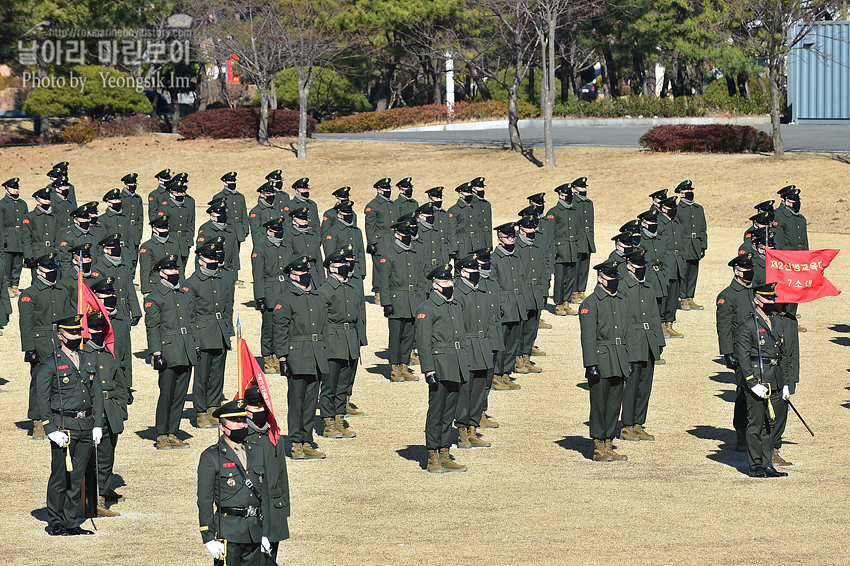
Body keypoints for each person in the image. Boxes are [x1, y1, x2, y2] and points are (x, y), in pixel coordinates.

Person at [36, 313, 103, 536]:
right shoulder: (50, 363)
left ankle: (71, 520)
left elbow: (97, 394)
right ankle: (55, 520)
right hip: (64, 426)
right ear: (60, 335)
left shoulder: (89, 359)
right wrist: (50, 429)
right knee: (60, 476)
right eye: (71, 332)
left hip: (85, 425)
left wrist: (97, 424)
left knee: (77, 477)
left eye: (78, 331)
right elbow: (42, 398)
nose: (76, 335)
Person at [197, 399, 271, 565]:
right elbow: (205, 500)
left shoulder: (257, 451)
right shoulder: (211, 456)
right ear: (222, 427)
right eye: (235, 422)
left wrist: (266, 532)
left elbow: (264, 495)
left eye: (243, 421)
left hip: (254, 531)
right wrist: (208, 537)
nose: (241, 425)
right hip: (227, 532)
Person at [273, 256, 330, 460]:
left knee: (310, 402)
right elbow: (280, 331)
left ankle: (307, 440)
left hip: (316, 355)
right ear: (292, 275)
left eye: (307, 271)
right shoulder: (286, 299)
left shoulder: (318, 297)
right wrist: (282, 358)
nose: (306, 274)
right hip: (297, 355)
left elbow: (325, 327)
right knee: (296, 402)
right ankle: (296, 443)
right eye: (301, 272)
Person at [415, 263, 470, 473]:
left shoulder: (455, 305)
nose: (450, 284)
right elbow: (423, 342)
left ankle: (445, 452)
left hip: (455, 364)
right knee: (436, 412)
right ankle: (432, 455)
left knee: (449, 412)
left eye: (451, 280)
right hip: (439, 366)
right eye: (445, 281)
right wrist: (428, 370)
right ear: (435, 284)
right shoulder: (426, 308)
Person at [579, 259, 634, 462]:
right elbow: (588, 338)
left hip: (619, 357)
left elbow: (628, 332)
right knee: (599, 404)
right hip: (601, 359)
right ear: (600, 278)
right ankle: (597, 445)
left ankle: (609, 442)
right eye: (610, 277)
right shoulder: (590, 304)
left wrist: (629, 358)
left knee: (613, 404)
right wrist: (590, 364)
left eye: (615, 277)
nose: (613, 280)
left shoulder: (623, 301)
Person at [733, 282, 790, 478]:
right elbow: (742, 356)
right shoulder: (748, 324)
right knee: (756, 424)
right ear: (756, 300)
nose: (771, 301)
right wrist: (752, 383)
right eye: (767, 298)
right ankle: (755, 465)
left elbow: (783, 355)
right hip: (759, 378)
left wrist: (785, 384)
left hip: (774, 378)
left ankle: (767, 463)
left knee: (770, 425)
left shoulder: (777, 321)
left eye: (773, 298)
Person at [144, 254, 198, 450]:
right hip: (168, 350)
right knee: (166, 394)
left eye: (176, 269)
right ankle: (161, 433)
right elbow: (152, 328)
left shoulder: (184, 295)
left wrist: (196, 345)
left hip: (185, 349)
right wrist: (156, 353)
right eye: (170, 269)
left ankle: (173, 432)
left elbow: (192, 321)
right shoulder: (155, 297)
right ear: (161, 273)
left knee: (180, 395)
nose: (175, 272)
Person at [19, 253, 74, 440]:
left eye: (54, 268)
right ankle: (37, 420)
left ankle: (57, 416)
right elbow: (25, 324)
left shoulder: (62, 291)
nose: (52, 272)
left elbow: (67, 317)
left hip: (59, 340)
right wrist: (29, 348)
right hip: (40, 341)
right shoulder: (30, 294)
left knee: (60, 380)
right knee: (39, 382)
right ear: (39, 271)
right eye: (49, 269)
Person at [186, 241, 235, 428]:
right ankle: (200, 412)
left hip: (220, 332)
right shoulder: (192, 282)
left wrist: (228, 330)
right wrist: (194, 338)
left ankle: (213, 408)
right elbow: (189, 313)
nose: (213, 260)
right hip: (203, 333)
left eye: (216, 257)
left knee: (217, 375)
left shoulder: (223, 280)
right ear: (200, 260)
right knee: (202, 376)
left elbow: (228, 306)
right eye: (209, 258)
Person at [316, 252, 365, 439]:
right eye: (341, 263)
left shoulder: (353, 288)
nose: (346, 266)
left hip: (350, 339)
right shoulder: (325, 290)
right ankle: (328, 422)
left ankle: (339, 418)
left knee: (344, 384)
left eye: (346, 263)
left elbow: (359, 316)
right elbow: (320, 320)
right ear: (331, 267)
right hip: (333, 339)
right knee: (330, 385)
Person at [83, 310, 126, 518]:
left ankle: (103, 491)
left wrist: (121, 409)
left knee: (107, 455)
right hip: (91, 412)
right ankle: (93, 499)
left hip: (111, 410)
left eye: (102, 329)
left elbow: (119, 383)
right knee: (92, 457)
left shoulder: (109, 354)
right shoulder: (82, 354)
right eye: (94, 329)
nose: (98, 332)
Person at [618, 249, 664, 442]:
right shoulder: (622, 287)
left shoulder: (648, 288)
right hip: (632, 340)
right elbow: (620, 319)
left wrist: (659, 341)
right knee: (632, 385)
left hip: (648, 341)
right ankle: (627, 424)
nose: (642, 268)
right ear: (629, 266)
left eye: (644, 265)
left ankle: (639, 423)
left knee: (645, 385)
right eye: (638, 265)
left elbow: (654, 315)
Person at [453, 254, 497, 449]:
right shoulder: (457, 293)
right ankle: (462, 432)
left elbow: (489, 322)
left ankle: (473, 428)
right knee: (464, 391)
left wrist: (492, 346)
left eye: (478, 270)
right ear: (462, 272)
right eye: (472, 270)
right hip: (466, 346)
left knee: (480, 389)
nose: (477, 273)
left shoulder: (483, 292)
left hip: (483, 346)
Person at [244, 386, 290, 562]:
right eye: (256, 407)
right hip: (251, 513)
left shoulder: (275, 437)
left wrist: (284, 508)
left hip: (274, 509)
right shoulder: (241, 438)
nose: (261, 410)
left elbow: (281, 475)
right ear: (246, 410)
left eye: (264, 406)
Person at [716, 255, 756, 451]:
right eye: (744, 269)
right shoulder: (728, 295)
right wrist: (727, 353)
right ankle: (741, 433)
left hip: (759, 350)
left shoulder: (756, 291)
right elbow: (723, 326)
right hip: (741, 353)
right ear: (736, 271)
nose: (748, 272)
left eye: (750, 268)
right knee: (743, 393)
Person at [92, 234, 142, 389]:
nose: (117, 250)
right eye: (113, 247)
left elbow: (130, 292)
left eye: (118, 246)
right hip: (107, 312)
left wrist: (136, 311)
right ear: (105, 249)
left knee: (123, 347)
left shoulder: (125, 267)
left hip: (123, 311)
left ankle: (125, 381)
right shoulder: (98, 269)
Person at [379, 220, 422, 382]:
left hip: (412, 301)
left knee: (409, 336)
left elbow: (421, 279)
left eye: (408, 234)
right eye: (404, 234)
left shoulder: (415, 253)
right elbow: (384, 282)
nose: (407, 237)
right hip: (397, 301)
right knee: (396, 336)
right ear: (397, 235)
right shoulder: (389, 255)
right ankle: (394, 368)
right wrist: (386, 303)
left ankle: (404, 366)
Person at [251, 217, 294, 374]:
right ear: (269, 231)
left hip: (285, 290)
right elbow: (258, 275)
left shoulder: (287, 247)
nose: (279, 234)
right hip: (270, 292)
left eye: (281, 231)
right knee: (269, 328)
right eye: (276, 232)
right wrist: (259, 298)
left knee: (284, 327)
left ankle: (279, 356)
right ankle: (268, 358)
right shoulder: (260, 249)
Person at [490, 222, 527, 390]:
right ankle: (496, 375)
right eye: (508, 237)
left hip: (518, 305)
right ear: (499, 240)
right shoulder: (494, 258)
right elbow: (494, 285)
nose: (512, 239)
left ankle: (506, 373)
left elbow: (522, 280)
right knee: (501, 344)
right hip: (504, 306)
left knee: (514, 342)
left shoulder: (517, 256)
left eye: (513, 236)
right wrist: (499, 305)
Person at [515, 214, 548, 374]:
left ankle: (526, 356)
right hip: (523, 292)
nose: (532, 230)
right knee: (521, 328)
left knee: (532, 328)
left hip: (536, 292)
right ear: (521, 230)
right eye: (529, 228)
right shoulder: (516, 247)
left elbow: (543, 270)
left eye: (534, 227)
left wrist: (544, 291)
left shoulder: (537, 247)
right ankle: (517, 358)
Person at [673, 180, 707, 311]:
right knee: (683, 272)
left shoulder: (699, 209)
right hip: (684, 244)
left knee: (693, 271)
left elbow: (703, 228)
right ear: (681, 194)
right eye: (687, 192)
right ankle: (682, 299)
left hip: (695, 245)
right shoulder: (677, 209)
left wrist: (703, 245)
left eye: (691, 191)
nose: (690, 193)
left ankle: (690, 298)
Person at [547, 183, 581, 316]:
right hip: (560, 250)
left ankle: (567, 303)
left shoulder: (574, 211)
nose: (569, 197)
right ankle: (559, 304)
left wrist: (578, 246)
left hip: (572, 249)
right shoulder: (554, 212)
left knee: (570, 278)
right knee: (560, 279)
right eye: (566, 195)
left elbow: (578, 230)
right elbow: (551, 233)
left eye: (570, 195)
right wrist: (554, 250)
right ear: (560, 196)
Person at [212, 172, 249, 285]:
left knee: (235, 253)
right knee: (224, 252)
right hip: (225, 228)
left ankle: (235, 277)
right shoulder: (218, 197)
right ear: (224, 183)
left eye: (234, 181)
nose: (232, 183)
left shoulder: (240, 197)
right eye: (230, 182)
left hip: (237, 228)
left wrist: (245, 228)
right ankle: (222, 274)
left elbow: (243, 213)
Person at [656, 196, 685, 338]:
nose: (674, 210)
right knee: (664, 295)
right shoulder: (659, 223)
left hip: (677, 263)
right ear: (664, 208)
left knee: (674, 296)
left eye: (675, 208)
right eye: (671, 208)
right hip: (666, 264)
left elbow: (682, 244)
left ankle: (669, 323)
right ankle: (661, 324)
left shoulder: (678, 224)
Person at [364, 178, 396, 303]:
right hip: (380, 241)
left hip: (393, 239)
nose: (388, 191)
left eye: (389, 189)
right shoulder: (373, 205)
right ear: (379, 190)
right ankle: (378, 293)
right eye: (385, 189)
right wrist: (371, 242)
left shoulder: (394, 205)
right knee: (379, 267)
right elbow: (370, 226)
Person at [138, 214, 184, 295]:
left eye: (166, 228)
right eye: (162, 228)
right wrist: (146, 291)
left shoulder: (174, 244)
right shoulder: (147, 246)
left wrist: (182, 286)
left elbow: (179, 266)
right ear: (154, 229)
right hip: (156, 286)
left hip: (173, 284)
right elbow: (145, 271)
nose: (165, 230)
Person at [196, 197, 241, 278]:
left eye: (224, 214)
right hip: (212, 271)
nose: (222, 216)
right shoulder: (206, 232)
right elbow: (199, 255)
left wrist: (235, 274)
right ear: (212, 217)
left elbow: (235, 255)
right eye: (220, 214)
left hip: (227, 271)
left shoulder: (231, 232)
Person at [322, 200, 366, 279]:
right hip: (340, 270)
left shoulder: (357, 231)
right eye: (346, 213)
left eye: (350, 213)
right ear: (339, 215)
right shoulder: (333, 232)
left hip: (355, 270)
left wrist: (362, 271)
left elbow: (360, 252)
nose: (349, 215)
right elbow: (330, 254)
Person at [1, 177, 28, 296]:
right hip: (7, 237)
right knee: (7, 263)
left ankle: (15, 285)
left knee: (18, 263)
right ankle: (6, 286)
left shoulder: (23, 204)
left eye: (17, 188)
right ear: (6, 189)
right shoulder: (2, 204)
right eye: (13, 188)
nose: (16, 190)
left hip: (20, 237)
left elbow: (26, 222)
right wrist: (2, 240)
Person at [285, 205, 325, 286]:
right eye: (301, 219)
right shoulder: (289, 238)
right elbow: (288, 261)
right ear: (294, 221)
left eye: (306, 219)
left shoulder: (313, 236)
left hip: (314, 275)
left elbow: (319, 261)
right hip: (299, 274)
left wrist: (322, 280)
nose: (304, 221)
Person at [23, 187, 60, 271]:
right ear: (37, 201)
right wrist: (28, 256)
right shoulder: (30, 217)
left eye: (48, 198)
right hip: (37, 253)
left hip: (52, 252)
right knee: (37, 279)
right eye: (44, 199)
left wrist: (59, 256)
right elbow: (26, 238)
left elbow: (58, 237)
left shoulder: (54, 217)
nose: (47, 201)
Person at [572, 177, 595, 302]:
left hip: (587, 238)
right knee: (576, 266)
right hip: (578, 238)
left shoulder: (589, 203)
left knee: (585, 266)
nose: (584, 189)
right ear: (574, 189)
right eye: (581, 187)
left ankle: (581, 290)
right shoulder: (573, 203)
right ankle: (573, 291)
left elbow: (591, 223)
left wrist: (591, 237)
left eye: (585, 187)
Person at [448, 182, 482, 259]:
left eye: (471, 193)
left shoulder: (473, 210)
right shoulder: (454, 210)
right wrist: (454, 249)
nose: (470, 195)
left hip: (474, 245)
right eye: (467, 193)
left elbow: (477, 229)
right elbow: (451, 231)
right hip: (462, 247)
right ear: (460, 194)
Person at [249, 182, 281, 248]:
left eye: (273, 193)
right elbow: (256, 234)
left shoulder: (276, 211)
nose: (271, 195)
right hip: (264, 246)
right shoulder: (256, 211)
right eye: (268, 193)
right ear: (262, 194)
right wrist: (260, 249)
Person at [469, 177, 493, 248]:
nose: (482, 189)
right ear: (473, 189)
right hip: (476, 241)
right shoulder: (471, 204)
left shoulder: (487, 204)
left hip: (487, 240)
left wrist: (490, 243)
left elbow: (489, 225)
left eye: (483, 187)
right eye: (480, 187)